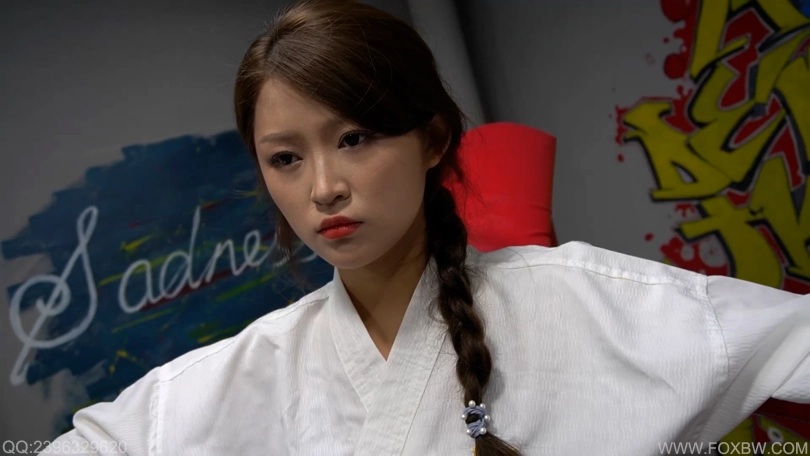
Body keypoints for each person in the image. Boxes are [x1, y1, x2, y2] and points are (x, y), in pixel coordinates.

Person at [42, 0, 809, 455]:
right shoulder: (233, 379)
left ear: (433, 139)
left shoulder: (590, 306)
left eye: (355, 138)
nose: (323, 186)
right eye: (285, 158)